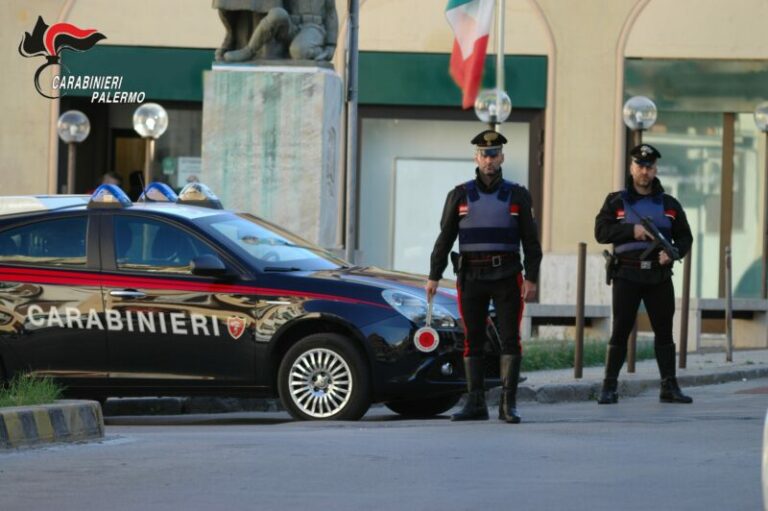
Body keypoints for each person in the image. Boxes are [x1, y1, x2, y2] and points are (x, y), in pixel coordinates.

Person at [425, 129, 542, 423]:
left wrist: (531, 277)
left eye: (494, 154)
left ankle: (508, 404)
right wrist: (433, 276)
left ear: (501, 156)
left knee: (510, 339)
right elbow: (445, 237)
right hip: (471, 276)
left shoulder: (518, 195)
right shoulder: (460, 194)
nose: (489, 160)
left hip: (507, 275)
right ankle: (476, 403)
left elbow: (531, 241)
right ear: (476, 157)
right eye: (484, 154)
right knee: (472, 339)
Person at [594, 143, 694, 405]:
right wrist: (632, 231)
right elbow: (601, 232)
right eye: (640, 165)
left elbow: (685, 237)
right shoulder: (615, 201)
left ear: (655, 169)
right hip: (627, 274)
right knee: (621, 329)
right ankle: (608, 387)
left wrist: (673, 253)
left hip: (658, 276)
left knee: (664, 331)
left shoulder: (670, 204)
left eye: (649, 167)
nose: (644, 171)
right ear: (631, 167)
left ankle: (669, 387)